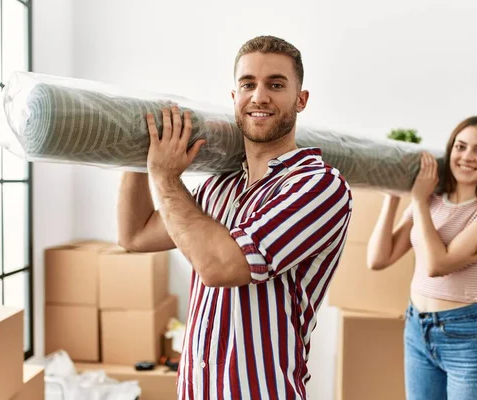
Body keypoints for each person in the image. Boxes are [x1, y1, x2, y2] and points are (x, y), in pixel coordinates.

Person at [117, 35, 352, 399]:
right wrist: (138, 152)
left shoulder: (319, 186)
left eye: (275, 84)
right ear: (234, 98)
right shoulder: (218, 187)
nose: (259, 96)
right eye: (248, 84)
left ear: (300, 100)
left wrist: (164, 177)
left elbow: (220, 267)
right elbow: (134, 235)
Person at [367, 116, 477, 399]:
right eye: (460, 147)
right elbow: (378, 259)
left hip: (467, 336)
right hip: (417, 328)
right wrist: (392, 196)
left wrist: (417, 202)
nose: (467, 157)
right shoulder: (431, 200)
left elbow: (439, 264)